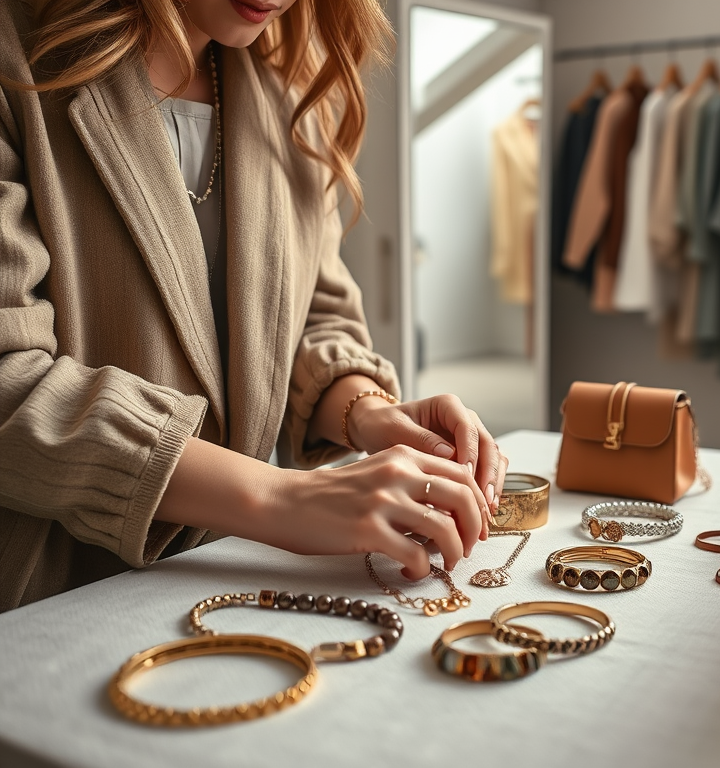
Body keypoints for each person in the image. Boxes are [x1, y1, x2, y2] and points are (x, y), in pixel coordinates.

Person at [0, 0, 508, 612]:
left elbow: (313, 316)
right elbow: (10, 377)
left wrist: (367, 411)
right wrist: (278, 497)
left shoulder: (289, 92)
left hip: (236, 579)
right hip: (53, 601)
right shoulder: (18, 55)